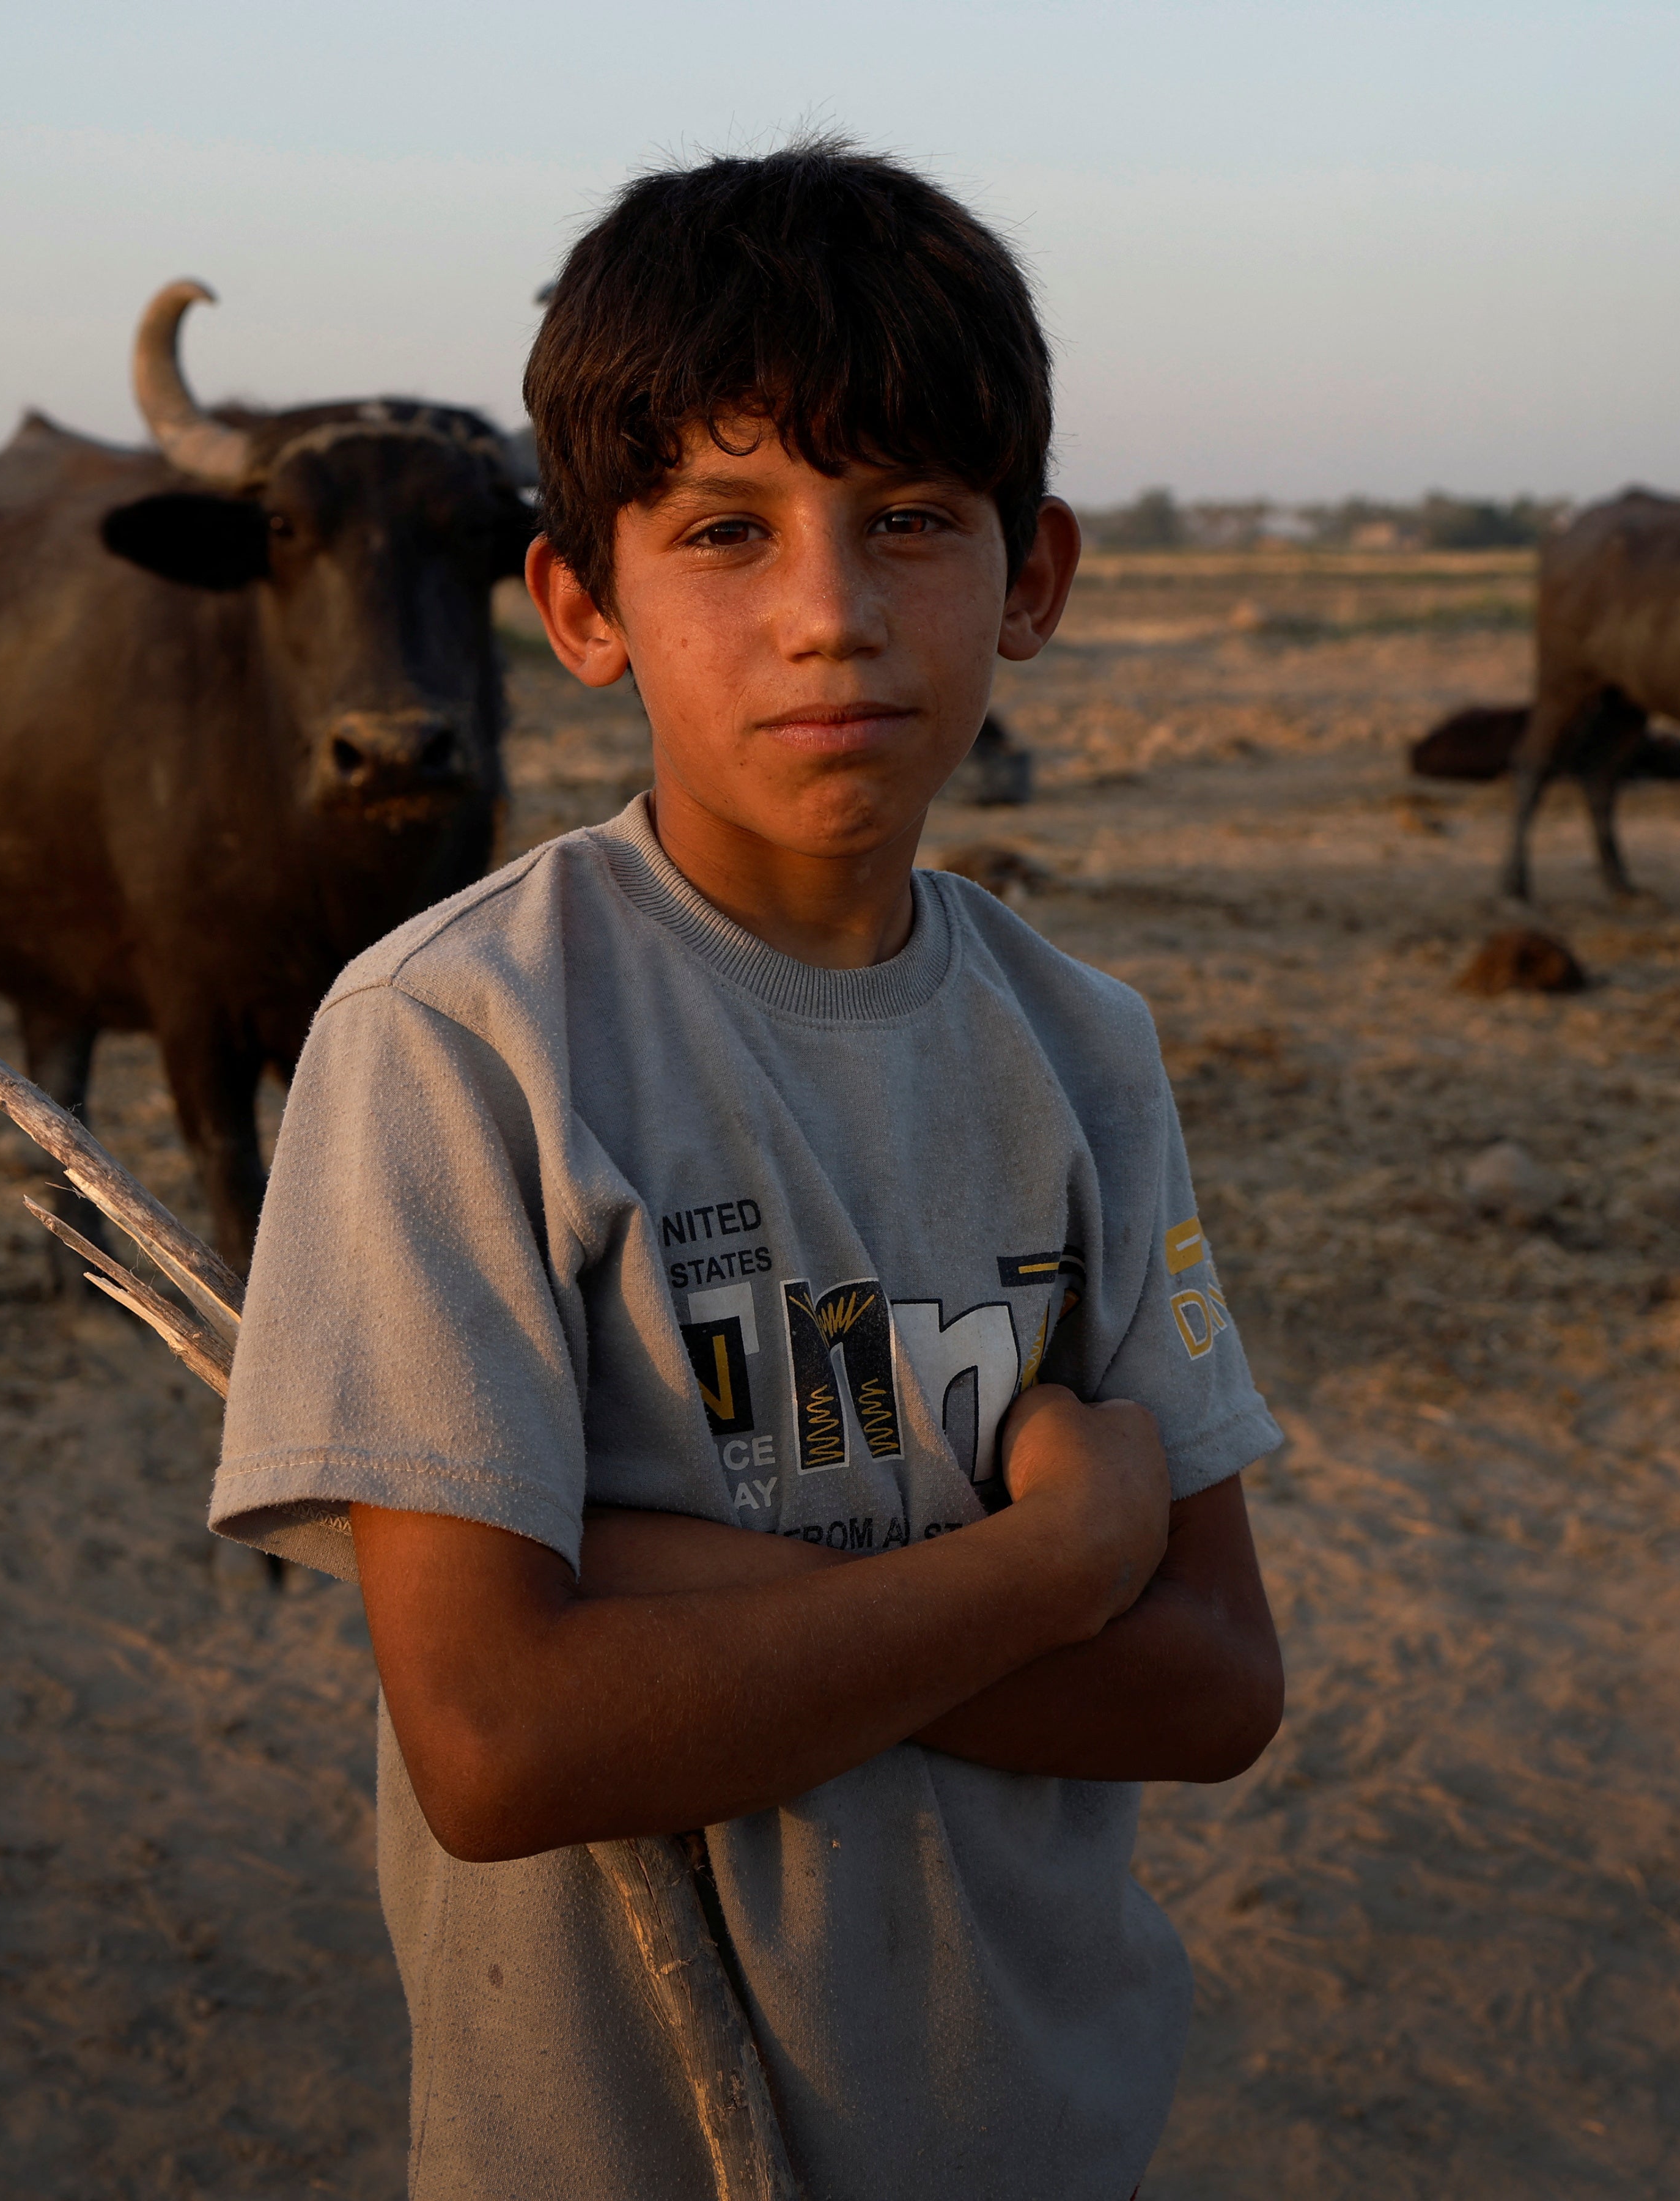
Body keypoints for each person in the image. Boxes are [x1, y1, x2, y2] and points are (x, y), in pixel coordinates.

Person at [211, 136, 1286, 2200]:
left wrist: (657, 1588)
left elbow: (1221, 1680)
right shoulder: (459, 1041)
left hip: (1035, 2136)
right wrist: (1046, 1569)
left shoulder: (1084, 1054)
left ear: (1032, 576)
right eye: (725, 530)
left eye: (909, 520)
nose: (830, 614)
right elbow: (504, 1745)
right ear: (579, 604)